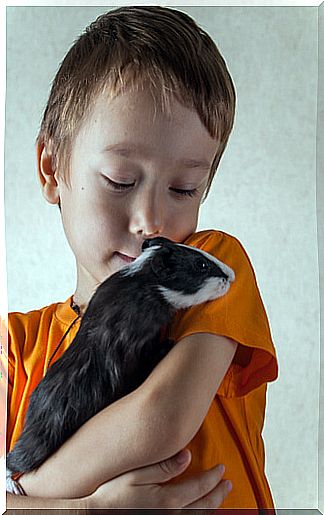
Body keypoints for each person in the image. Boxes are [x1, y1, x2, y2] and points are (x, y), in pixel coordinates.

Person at [3, 5, 278, 510]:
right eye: (121, 181)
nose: (151, 220)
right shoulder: (13, 350)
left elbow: (161, 419)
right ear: (51, 169)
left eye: (183, 188)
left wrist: (28, 492)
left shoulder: (216, 269)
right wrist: (89, 511)